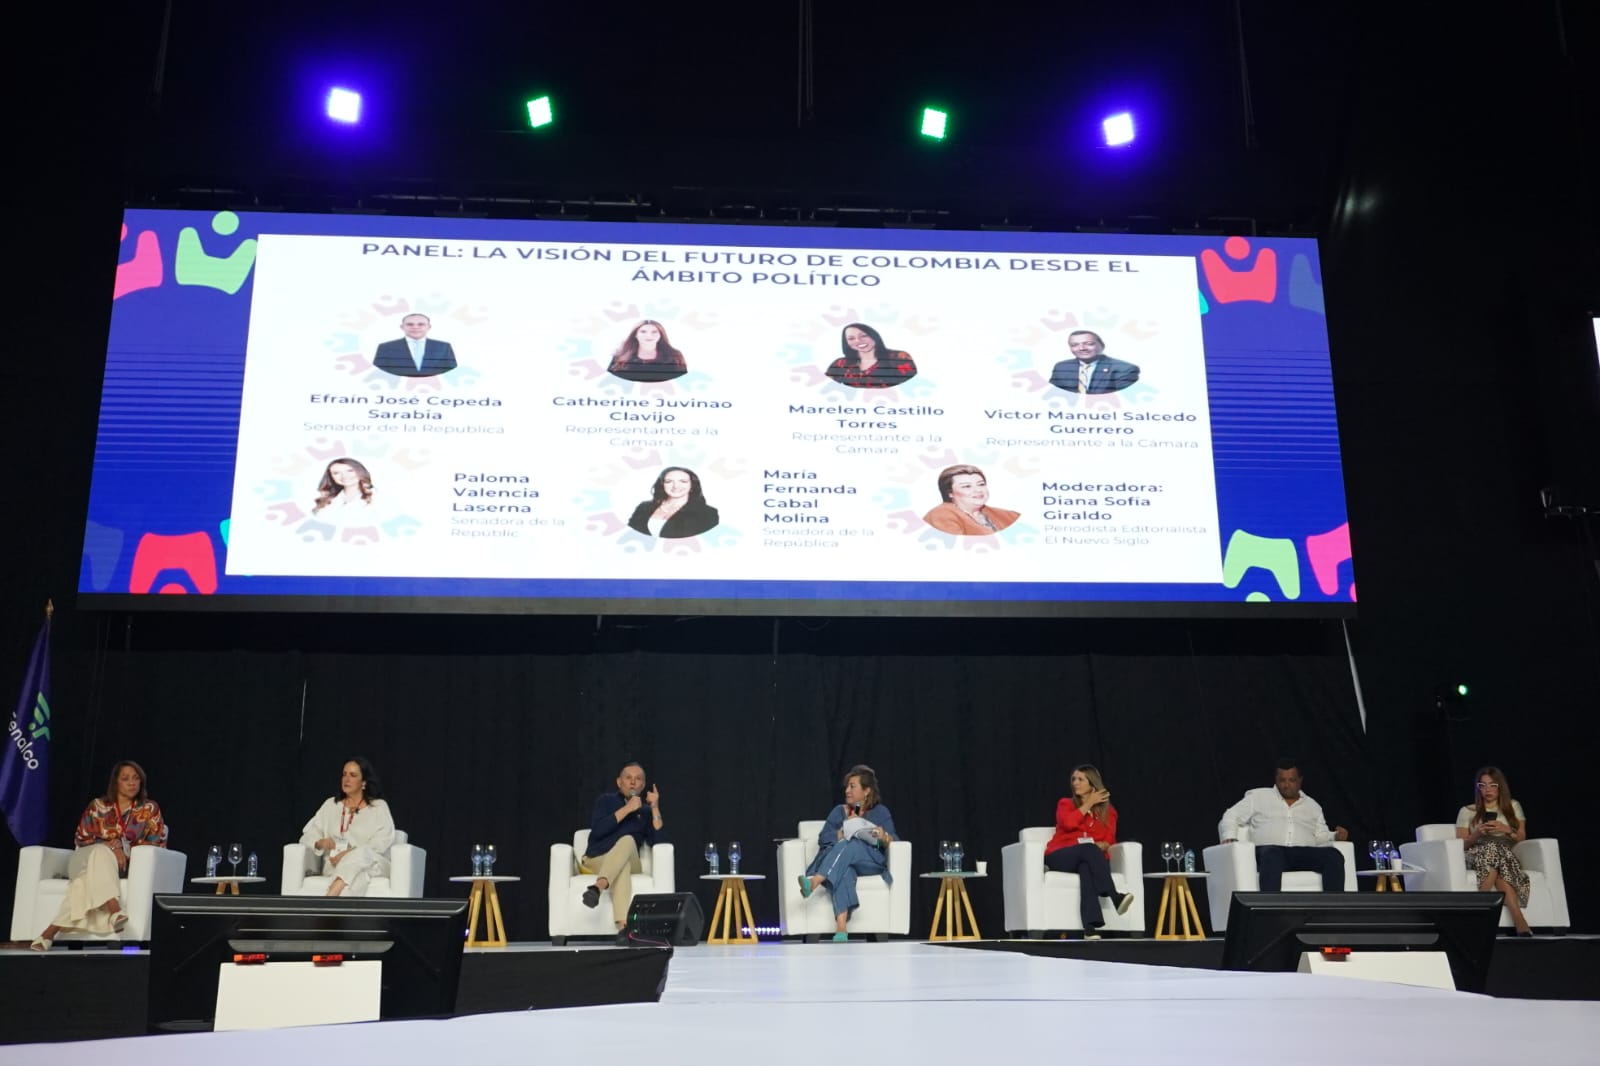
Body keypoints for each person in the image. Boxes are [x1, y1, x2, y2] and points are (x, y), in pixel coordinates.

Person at [31, 761, 168, 950]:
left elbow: (157, 842)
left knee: (83, 882)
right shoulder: (98, 805)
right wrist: (109, 846)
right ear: (116, 782)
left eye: (136, 778)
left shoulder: (149, 809)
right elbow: (81, 838)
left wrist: (122, 848)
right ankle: (113, 907)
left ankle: (50, 931)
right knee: (100, 852)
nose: (132, 783)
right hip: (83, 859)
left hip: (118, 866)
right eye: (126, 778)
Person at [796, 764, 897, 941]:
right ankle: (841, 927)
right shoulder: (839, 811)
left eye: (852, 786)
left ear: (866, 791)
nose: (847, 791)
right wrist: (844, 830)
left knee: (853, 845)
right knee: (845, 869)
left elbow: (895, 839)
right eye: (847, 787)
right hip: (845, 861)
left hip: (870, 861)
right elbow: (824, 838)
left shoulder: (880, 812)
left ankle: (815, 881)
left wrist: (883, 836)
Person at [1218, 760, 1349, 892]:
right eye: (1282, 780)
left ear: (1300, 780)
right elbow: (1231, 815)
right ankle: (1270, 911)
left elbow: (1320, 836)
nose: (1286, 785)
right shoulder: (1258, 796)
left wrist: (1335, 836)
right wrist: (1230, 836)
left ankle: (1333, 910)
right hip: (1267, 852)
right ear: (1276, 780)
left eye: (1291, 780)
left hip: (1302, 853)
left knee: (1333, 855)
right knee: (1273, 854)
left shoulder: (1313, 806)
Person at [1044, 765, 1135, 937]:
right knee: (1089, 849)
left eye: (1080, 779)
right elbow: (1069, 823)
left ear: (1092, 784)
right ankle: (1114, 896)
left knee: (1086, 867)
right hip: (1060, 856)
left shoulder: (1109, 812)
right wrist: (1089, 803)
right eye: (1074, 779)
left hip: (1089, 858)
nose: (1075, 783)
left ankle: (1090, 927)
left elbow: (1109, 838)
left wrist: (1104, 845)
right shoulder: (1066, 804)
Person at [580, 761, 665, 944]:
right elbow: (597, 831)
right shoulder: (606, 800)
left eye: (638, 779)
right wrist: (627, 809)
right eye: (628, 778)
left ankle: (598, 887)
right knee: (621, 866)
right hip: (597, 858)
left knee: (627, 840)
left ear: (643, 785)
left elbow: (659, 841)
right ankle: (624, 928)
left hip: (631, 857)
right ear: (619, 782)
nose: (633, 782)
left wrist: (655, 807)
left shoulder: (645, 811)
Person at [298, 757, 395, 897]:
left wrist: (349, 853)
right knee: (357, 878)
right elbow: (306, 836)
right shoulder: (330, 805)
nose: (346, 779)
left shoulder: (378, 807)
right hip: (336, 866)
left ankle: (329, 898)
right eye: (344, 774)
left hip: (373, 863)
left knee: (361, 854)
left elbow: (382, 842)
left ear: (364, 782)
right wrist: (319, 843)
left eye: (353, 775)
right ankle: (338, 915)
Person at [1457, 766, 1532, 936]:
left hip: (1505, 853)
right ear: (1478, 788)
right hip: (1475, 852)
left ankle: (1482, 911)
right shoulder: (1467, 811)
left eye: (1492, 785)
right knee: (1493, 849)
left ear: (1500, 787)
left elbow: (1521, 838)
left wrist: (1506, 829)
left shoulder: (1513, 806)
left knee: (1498, 856)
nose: (1487, 790)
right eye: (1482, 786)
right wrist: (1476, 834)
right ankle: (1519, 920)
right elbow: (1461, 845)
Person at [922, 464, 1021, 535]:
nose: (978, 490)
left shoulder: (1009, 515)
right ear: (950, 493)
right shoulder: (940, 516)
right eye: (967, 486)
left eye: (981, 484)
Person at [626, 467, 720, 539]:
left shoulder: (707, 513)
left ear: (692, 486)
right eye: (669, 481)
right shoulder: (643, 507)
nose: (675, 486)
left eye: (683, 481)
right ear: (662, 485)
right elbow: (630, 534)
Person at [824, 323, 917, 388]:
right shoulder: (840, 364)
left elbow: (909, 386)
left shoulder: (900, 358)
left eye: (863, 336)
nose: (858, 341)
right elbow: (826, 387)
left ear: (874, 336)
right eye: (851, 338)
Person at [1048, 330, 1140, 394]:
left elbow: (1123, 401)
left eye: (1089, 344)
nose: (1082, 348)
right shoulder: (1061, 367)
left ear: (1102, 346)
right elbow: (1053, 395)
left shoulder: (1125, 369)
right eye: (1074, 345)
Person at [373, 313, 458, 377]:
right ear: (402, 327)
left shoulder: (443, 347)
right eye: (410, 324)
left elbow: (451, 372)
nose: (415, 327)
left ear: (429, 327)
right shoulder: (385, 347)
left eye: (421, 324)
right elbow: (379, 372)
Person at [607, 320, 688, 382]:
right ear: (635, 334)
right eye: (643, 332)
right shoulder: (620, 356)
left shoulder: (675, 356)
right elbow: (612, 380)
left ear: (661, 335)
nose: (649, 335)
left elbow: (681, 381)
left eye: (654, 332)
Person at [311, 457, 375, 517]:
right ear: (331, 477)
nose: (344, 476)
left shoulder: (377, 497)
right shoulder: (326, 500)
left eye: (350, 471)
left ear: (360, 471)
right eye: (336, 473)